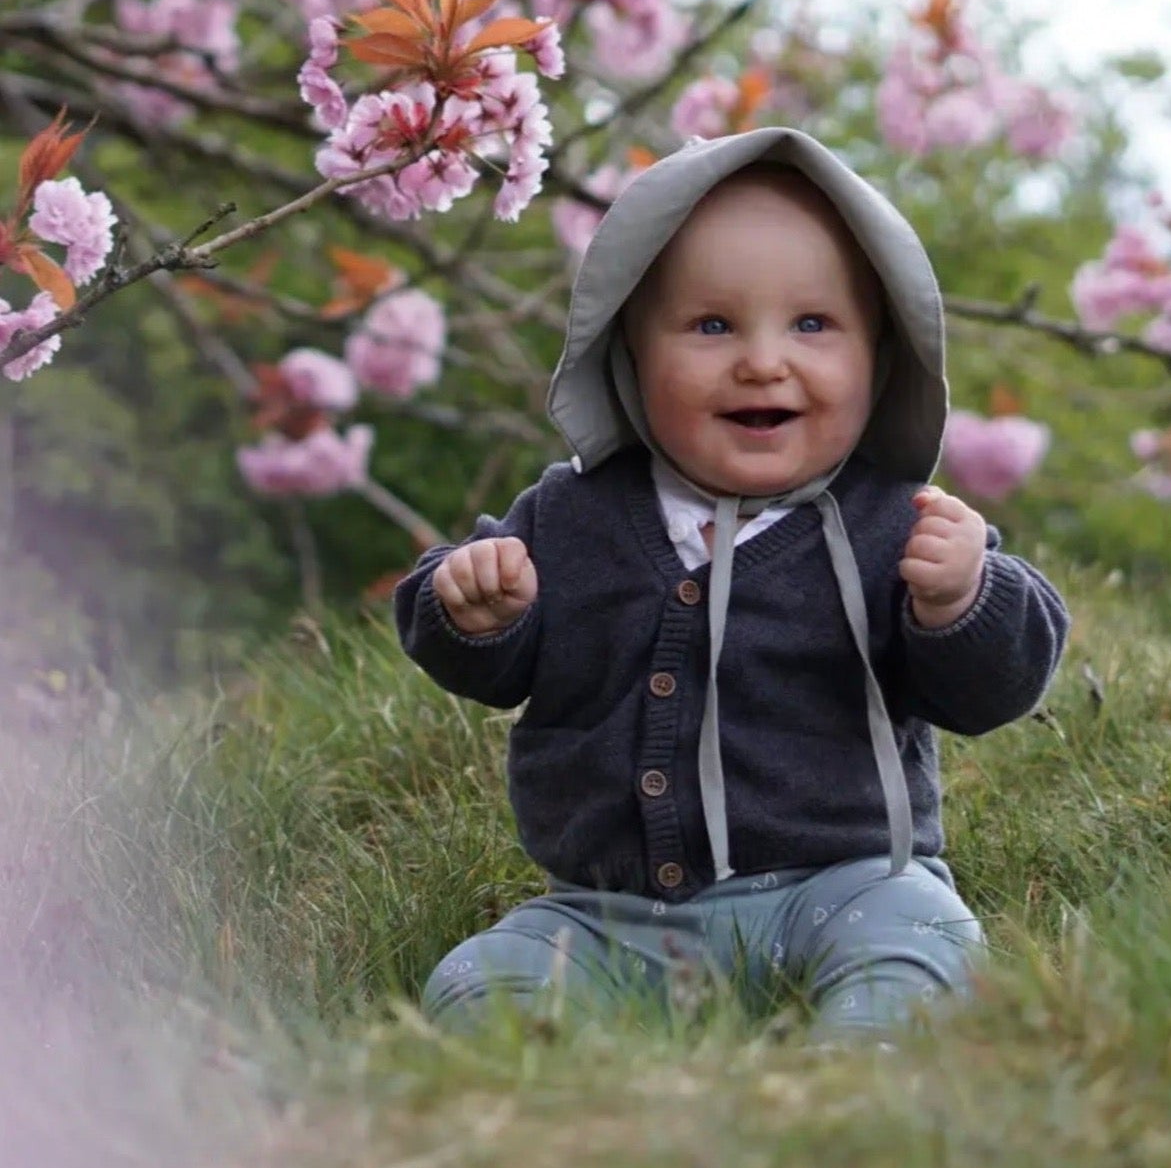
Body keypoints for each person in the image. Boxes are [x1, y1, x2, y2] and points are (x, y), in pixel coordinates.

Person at [395, 127, 1069, 1039]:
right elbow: (481, 662)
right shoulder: (570, 517)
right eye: (712, 326)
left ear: (882, 356)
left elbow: (994, 688)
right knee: (483, 980)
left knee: (920, 939)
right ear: (630, 353)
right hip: (611, 915)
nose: (762, 359)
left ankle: (863, 1055)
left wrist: (961, 602)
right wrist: (473, 611)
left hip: (843, 890)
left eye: (813, 324)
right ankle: (564, 1069)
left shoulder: (898, 524)